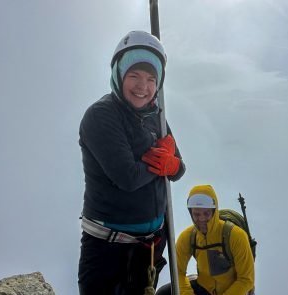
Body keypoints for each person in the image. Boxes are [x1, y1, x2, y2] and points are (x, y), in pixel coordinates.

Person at [78, 30, 186, 295]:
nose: (143, 86)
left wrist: (170, 165)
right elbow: (127, 177)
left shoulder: (156, 117)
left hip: (149, 248)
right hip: (108, 249)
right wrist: (157, 161)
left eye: (151, 79)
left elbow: (179, 168)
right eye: (134, 75)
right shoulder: (101, 115)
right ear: (118, 74)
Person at [156, 184, 254, 295]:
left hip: (234, 290)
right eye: (196, 214)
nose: (201, 219)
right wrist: (187, 293)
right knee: (163, 293)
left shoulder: (236, 236)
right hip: (204, 288)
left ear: (214, 211)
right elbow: (177, 271)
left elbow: (246, 279)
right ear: (190, 213)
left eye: (206, 213)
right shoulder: (188, 237)